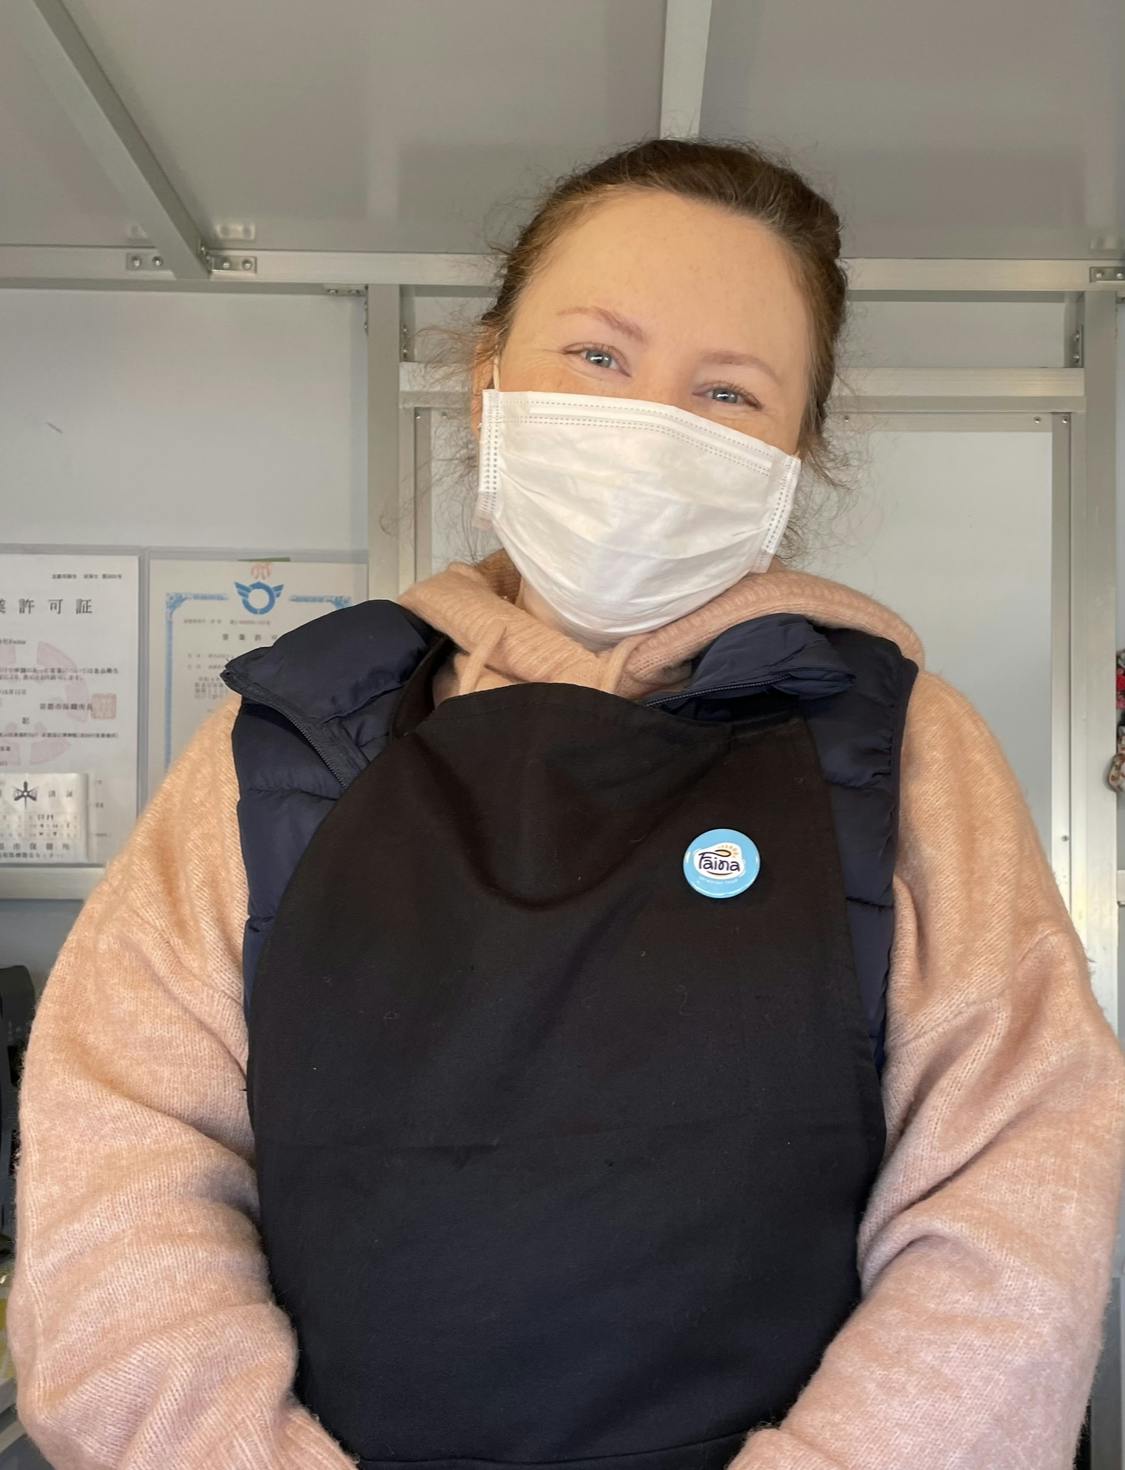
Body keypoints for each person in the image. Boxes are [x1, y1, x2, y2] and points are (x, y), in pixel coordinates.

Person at [7, 136, 1125, 1470]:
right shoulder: (290, 741)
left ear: (796, 454)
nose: (651, 426)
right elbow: (119, 1168)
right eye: (597, 357)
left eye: (727, 391)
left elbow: (1013, 1201)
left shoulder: (906, 751)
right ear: (489, 379)